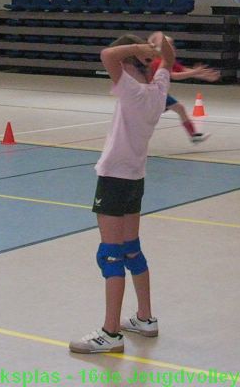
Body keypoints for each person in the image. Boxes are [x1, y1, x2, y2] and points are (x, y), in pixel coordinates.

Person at [69, 32, 173, 354]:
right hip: (135, 179)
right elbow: (167, 58)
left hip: (114, 178)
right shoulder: (157, 90)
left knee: (110, 255)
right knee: (132, 250)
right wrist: (159, 43)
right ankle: (144, 318)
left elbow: (106, 55)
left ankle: (111, 334)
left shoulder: (132, 92)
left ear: (129, 64)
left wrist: (142, 47)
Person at [145, 35, 220, 143]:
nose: (172, 47)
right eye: (169, 44)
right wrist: (195, 72)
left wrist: (204, 75)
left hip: (160, 93)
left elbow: (183, 70)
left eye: (172, 44)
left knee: (179, 108)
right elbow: (174, 75)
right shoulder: (157, 61)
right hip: (152, 94)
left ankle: (194, 136)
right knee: (146, 118)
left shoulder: (168, 60)